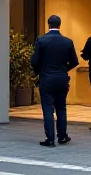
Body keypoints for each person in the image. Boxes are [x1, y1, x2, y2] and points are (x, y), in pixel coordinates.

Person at [31, 15, 79, 147]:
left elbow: (34, 61)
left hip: (46, 78)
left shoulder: (41, 40)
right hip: (62, 78)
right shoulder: (67, 41)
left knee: (48, 109)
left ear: (48, 24)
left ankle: (50, 138)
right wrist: (64, 69)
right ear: (60, 25)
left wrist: (40, 70)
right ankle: (62, 136)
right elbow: (75, 61)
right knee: (61, 108)